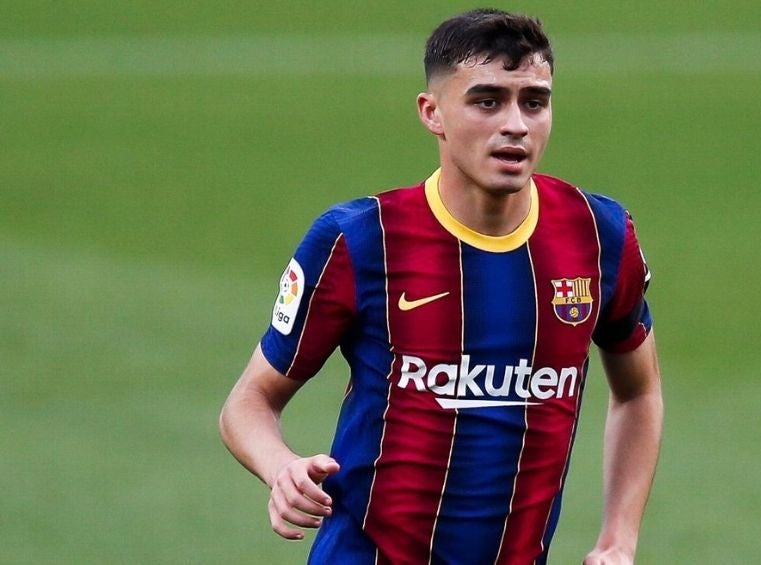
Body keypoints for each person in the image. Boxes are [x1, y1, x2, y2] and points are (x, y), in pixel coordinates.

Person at [219, 8, 663, 564]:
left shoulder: (599, 235)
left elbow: (639, 391)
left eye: (534, 102)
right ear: (433, 113)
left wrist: (619, 540)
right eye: (487, 101)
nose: (515, 125)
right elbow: (248, 402)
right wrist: (280, 467)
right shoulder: (361, 240)